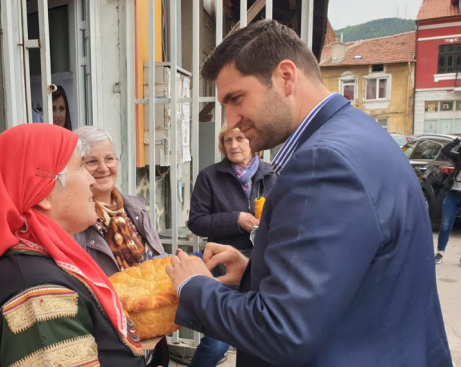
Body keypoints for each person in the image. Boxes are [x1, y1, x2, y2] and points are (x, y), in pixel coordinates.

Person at [164, 20, 453, 367]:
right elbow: (354, 273)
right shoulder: (358, 132)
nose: (232, 118)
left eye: (236, 98)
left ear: (286, 77)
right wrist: (255, 272)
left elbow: (283, 330)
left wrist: (194, 286)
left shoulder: (322, 162)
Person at [0, 124, 145, 367]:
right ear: (43, 193)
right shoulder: (36, 294)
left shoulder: (40, 264)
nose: (92, 180)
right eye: (81, 166)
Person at [73, 126, 169, 367]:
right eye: (91, 161)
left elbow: (152, 266)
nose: (103, 168)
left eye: (109, 158)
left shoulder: (134, 210)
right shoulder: (74, 223)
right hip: (110, 341)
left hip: (150, 334)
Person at [186, 125, 276, 367]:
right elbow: (196, 222)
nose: (234, 145)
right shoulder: (210, 176)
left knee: (257, 337)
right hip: (223, 266)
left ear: (253, 142)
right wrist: (236, 219)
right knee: (217, 341)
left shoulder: (273, 175)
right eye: (228, 140)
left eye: (240, 138)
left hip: (261, 266)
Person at [436, 137, 461, 265]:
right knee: (445, 225)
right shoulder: (458, 157)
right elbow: (445, 150)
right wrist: (457, 141)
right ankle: (440, 253)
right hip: (453, 194)